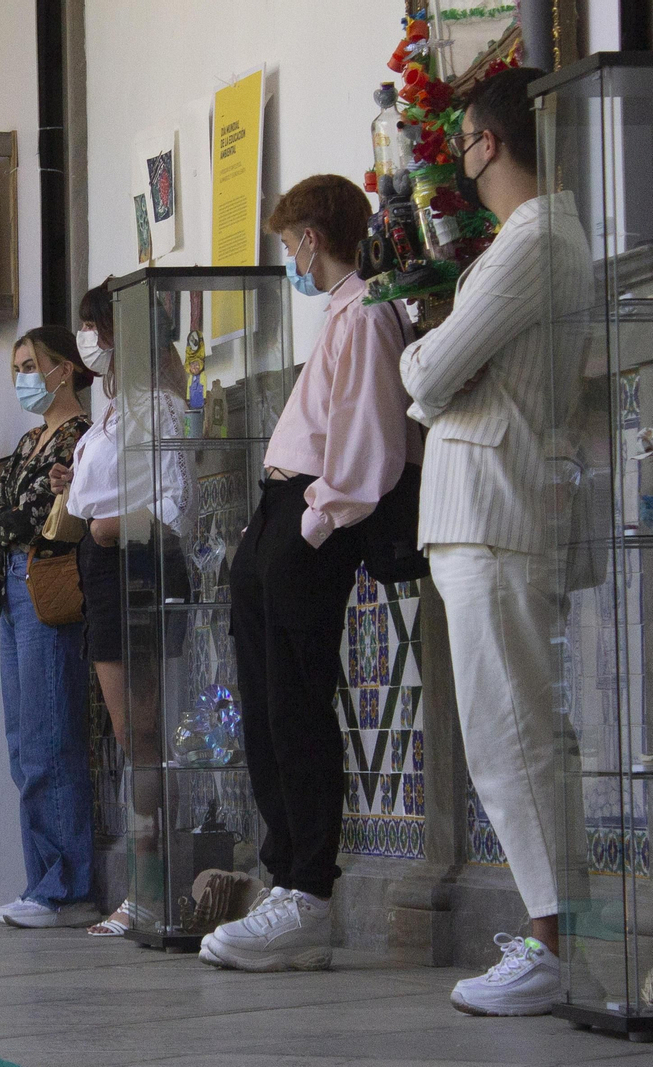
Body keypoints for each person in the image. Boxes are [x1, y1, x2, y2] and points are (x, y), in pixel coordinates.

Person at [398, 67, 592, 1016]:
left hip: (497, 506)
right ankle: (556, 930)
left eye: (466, 141)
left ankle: (555, 942)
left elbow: (434, 369)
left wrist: (419, 354)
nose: (462, 160)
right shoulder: (531, 237)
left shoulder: (537, 238)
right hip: (482, 508)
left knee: (512, 732)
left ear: (486, 142)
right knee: (506, 730)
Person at [194, 174, 419, 972]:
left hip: (311, 523)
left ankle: (308, 888)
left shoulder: (364, 314)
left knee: (296, 705)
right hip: (278, 515)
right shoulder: (337, 315)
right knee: (265, 707)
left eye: (288, 241)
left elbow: (369, 445)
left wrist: (312, 525)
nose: (287, 255)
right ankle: (284, 868)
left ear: (310, 240)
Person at [55, 287, 196, 938]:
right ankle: (147, 887)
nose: (86, 338)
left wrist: (110, 527)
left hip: (139, 567)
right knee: (129, 737)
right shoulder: (113, 413)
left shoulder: (158, 408)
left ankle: (153, 887)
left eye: (93, 326)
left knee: (144, 737)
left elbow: (175, 508)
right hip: (105, 567)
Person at [0, 325, 98, 929]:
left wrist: (24, 517)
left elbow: (59, 516)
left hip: (49, 577)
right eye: (16, 365)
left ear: (62, 369)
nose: (21, 376)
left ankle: (66, 885)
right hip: (13, 586)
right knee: (24, 743)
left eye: (29, 364)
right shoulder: (26, 445)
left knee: (51, 734)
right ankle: (40, 876)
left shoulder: (82, 438)